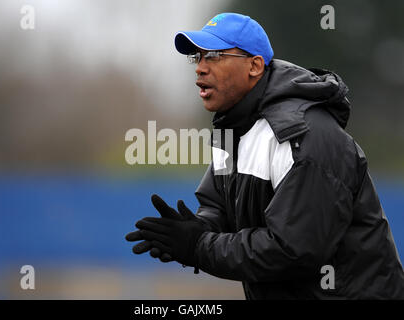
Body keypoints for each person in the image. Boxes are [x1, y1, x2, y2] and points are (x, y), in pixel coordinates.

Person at [125, 12, 404, 299]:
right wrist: (194, 231)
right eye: (197, 57)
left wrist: (199, 247)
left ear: (255, 66)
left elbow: (292, 250)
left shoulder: (305, 136)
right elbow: (218, 207)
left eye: (214, 56)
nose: (200, 68)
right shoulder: (231, 129)